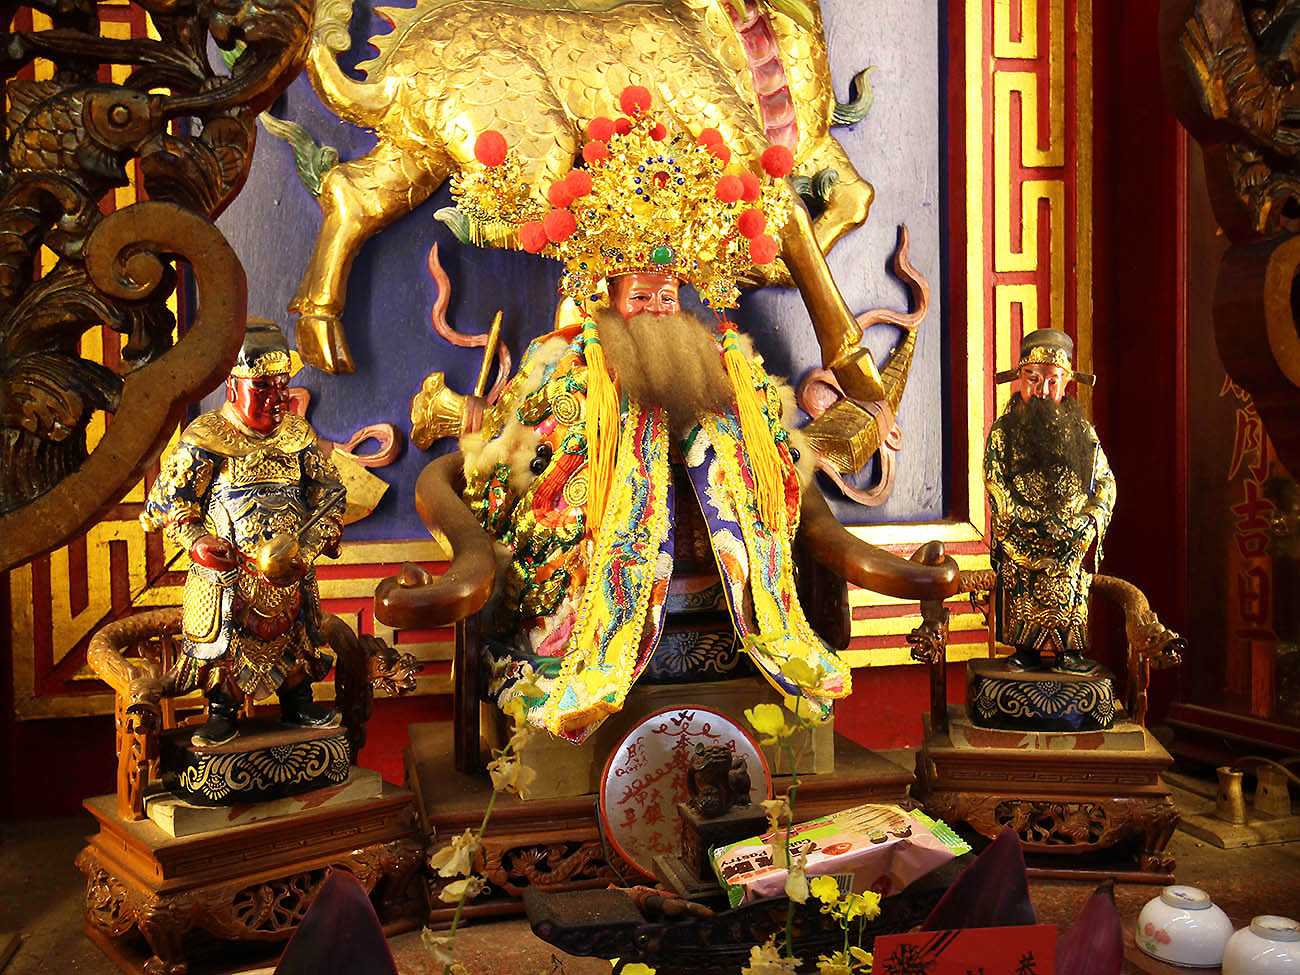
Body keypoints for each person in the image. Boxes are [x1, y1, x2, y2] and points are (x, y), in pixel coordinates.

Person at [450, 90, 851, 742]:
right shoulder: (568, 367)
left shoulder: (723, 368)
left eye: (667, 295)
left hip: (714, 577)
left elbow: (774, 462)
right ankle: (594, 658)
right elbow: (523, 467)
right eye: (641, 296)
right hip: (598, 590)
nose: (658, 308)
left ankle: (757, 639)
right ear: (608, 296)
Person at [140, 320, 345, 744]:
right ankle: (222, 710)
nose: (276, 400)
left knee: (297, 638)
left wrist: (307, 548)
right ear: (232, 386)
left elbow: (330, 495)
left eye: (282, 387)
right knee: (224, 646)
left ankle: (298, 700)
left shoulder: (298, 436)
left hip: (290, 571)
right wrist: (197, 541)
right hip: (229, 574)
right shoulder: (206, 438)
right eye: (262, 388)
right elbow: (171, 501)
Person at [985, 328, 1116, 675]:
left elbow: (1104, 481)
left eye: (1052, 381)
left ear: (1066, 382)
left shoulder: (1082, 432)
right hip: (1022, 536)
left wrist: (1089, 521)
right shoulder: (1003, 432)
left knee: (1070, 592)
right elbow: (995, 483)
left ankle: (1068, 653)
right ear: (1020, 379)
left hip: (1071, 538)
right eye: (1033, 379)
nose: (1042, 390)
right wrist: (1023, 522)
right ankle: (1024, 651)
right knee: (1021, 590)